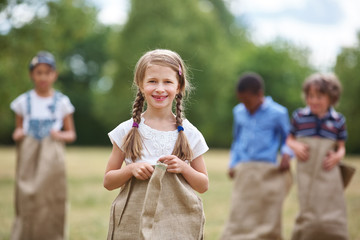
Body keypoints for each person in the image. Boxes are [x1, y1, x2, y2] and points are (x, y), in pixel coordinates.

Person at [103, 49, 209, 240]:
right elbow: (108, 181)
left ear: (179, 86)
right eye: (152, 81)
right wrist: (130, 169)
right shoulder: (126, 131)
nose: (160, 88)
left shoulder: (190, 133)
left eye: (167, 82)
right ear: (141, 85)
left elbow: (203, 185)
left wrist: (184, 168)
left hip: (177, 221)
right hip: (134, 218)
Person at [10, 51, 76, 240]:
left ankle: (52, 235)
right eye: (39, 72)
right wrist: (18, 133)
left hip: (52, 154)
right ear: (32, 74)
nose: (43, 77)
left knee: (51, 196)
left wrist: (60, 134)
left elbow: (71, 134)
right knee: (27, 195)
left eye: (48, 72)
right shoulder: (23, 102)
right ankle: (25, 234)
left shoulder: (61, 102)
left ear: (54, 74)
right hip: (29, 153)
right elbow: (18, 130)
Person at [221, 72, 293, 240]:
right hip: (245, 169)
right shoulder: (238, 112)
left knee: (266, 211)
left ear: (259, 94)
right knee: (241, 209)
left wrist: (287, 154)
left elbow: (289, 138)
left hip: (268, 170)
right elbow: (237, 139)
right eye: (241, 101)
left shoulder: (278, 113)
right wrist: (233, 163)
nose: (245, 105)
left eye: (247, 101)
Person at [287, 73, 349, 240]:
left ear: (332, 97)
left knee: (330, 206)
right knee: (308, 207)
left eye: (319, 96)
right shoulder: (299, 117)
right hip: (305, 171)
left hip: (328, 172)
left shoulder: (338, 120)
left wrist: (337, 156)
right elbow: (289, 139)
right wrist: (295, 145)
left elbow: (341, 148)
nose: (313, 100)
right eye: (310, 96)